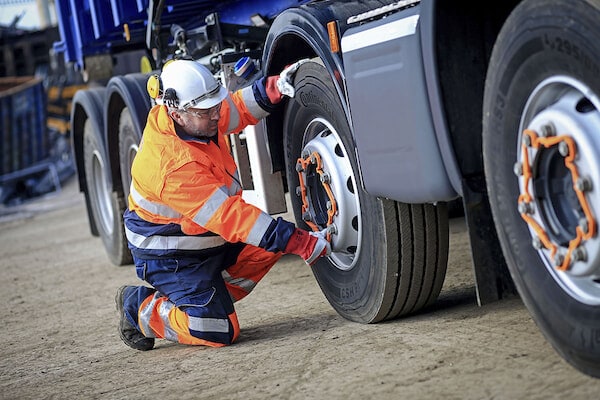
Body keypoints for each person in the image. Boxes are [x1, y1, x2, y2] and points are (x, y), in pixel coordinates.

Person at [115, 59, 330, 351]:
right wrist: (300, 242)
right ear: (176, 114)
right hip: (172, 258)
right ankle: (139, 308)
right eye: (209, 111)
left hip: (205, 240)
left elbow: (236, 108)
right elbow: (229, 216)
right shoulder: (170, 165)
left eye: (215, 106)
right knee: (217, 330)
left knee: (269, 243)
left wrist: (276, 87)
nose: (217, 115)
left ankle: (205, 297)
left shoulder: (198, 118)